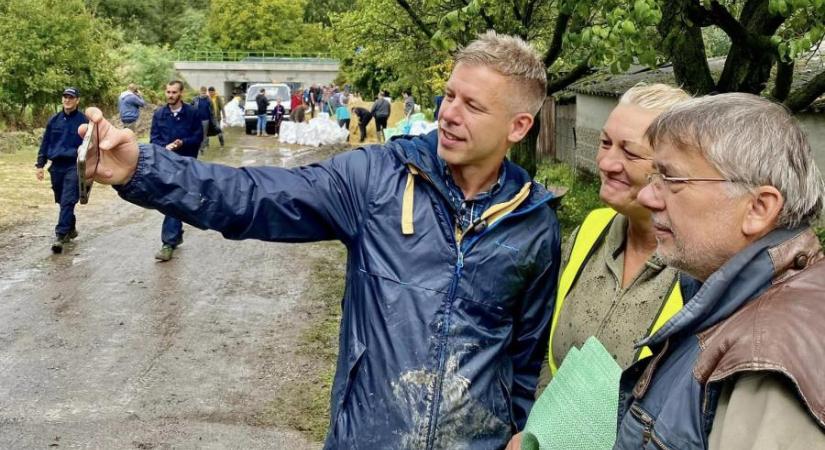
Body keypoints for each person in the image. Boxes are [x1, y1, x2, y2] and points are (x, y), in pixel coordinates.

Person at [79, 31, 560, 449]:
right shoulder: (377, 180)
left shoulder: (534, 223)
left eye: (472, 105)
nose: (449, 114)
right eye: (450, 95)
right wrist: (144, 168)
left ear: (518, 126)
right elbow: (255, 197)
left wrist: (517, 431)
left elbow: (524, 357)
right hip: (368, 438)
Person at [611, 93, 825, 449]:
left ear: (758, 207)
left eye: (672, 179)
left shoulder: (766, 359)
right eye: (654, 175)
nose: (648, 197)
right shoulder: (727, 299)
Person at [505, 83, 691, 450]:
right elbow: (550, 353)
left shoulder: (698, 270)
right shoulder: (589, 231)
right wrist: (533, 431)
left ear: (671, 169)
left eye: (629, 152)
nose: (606, 162)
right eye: (606, 144)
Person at [149, 80, 203, 262]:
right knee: (172, 200)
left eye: (174, 92)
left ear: (181, 93)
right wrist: (164, 147)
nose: (170, 95)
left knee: (175, 199)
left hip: (186, 163)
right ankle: (173, 236)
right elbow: (154, 138)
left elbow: (198, 136)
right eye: (168, 92)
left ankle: (168, 242)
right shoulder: (159, 114)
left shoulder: (192, 113)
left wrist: (183, 143)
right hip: (165, 162)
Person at [35, 87, 88, 254]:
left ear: (77, 100)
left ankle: (60, 235)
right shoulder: (54, 120)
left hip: (74, 165)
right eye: (65, 97)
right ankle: (70, 228)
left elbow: (90, 145)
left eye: (71, 97)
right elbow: (45, 143)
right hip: (56, 166)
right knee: (61, 199)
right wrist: (40, 165)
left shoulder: (84, 121)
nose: (67, 100)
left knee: (67, 199)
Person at [192, 86, 213, 153]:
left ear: (206, 92)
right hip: (197, 119)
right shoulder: (195, 99)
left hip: (205, 120)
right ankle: (199, 146)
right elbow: (190, 107)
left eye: (204, 93)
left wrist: (213, 119)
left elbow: (212, 110)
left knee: (204, 134)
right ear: (200, 92)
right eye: (202, 93)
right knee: (197, 133)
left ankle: (202, 148)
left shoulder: (208, 99)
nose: (203, 94)